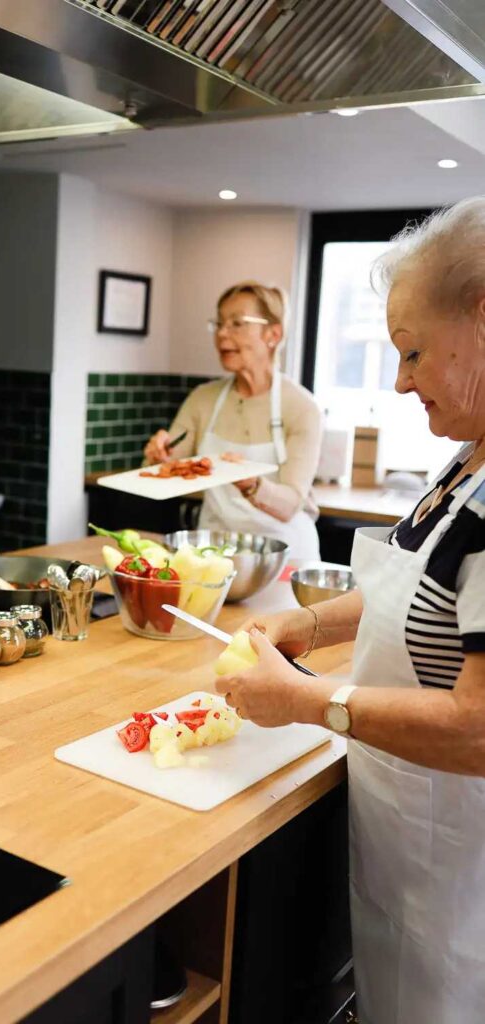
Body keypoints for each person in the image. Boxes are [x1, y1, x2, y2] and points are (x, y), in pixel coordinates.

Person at [217, 198, 485, 1023]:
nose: (399, 380)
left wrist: (304, 701)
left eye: (410, 352)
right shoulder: (466, 459)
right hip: (409, 840)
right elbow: (421, 592)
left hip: (458, 867)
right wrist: (310, 625)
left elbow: (478, 728)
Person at [143, 281, 323, 559]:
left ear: (273, 334)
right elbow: (164, 474)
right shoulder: (203, 399)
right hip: (212, 550)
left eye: (237, 323)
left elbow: (290, 505)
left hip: (282, 554)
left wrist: (250, 484)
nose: (222, 334)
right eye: (219, 323)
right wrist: (158, 458)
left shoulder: (301, 407)